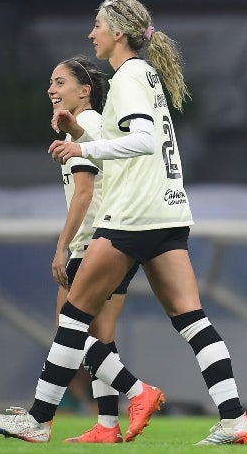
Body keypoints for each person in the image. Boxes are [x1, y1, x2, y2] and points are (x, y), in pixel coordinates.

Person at [0, 0, 247, 445]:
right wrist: (80, 132)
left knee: (72, 319)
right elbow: (126, 139)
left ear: (119, 33)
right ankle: (235, 418)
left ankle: (38, 419)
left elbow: (143, 140)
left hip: (133, 216)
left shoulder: (128, 76)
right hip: (168, 211)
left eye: (97, 25)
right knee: (192, 320)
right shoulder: (141, 76)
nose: (92, 34)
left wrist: (82, 149)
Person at [46, 55, 140, 443]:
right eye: (50, 84)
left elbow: (84, 193)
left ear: (84, 91)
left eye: (59, 82)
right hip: (113, 238)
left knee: (66, 329)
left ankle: (138, 392)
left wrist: (61, 246)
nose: (52, 89)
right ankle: (107, 425)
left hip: (93, 242)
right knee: (99, 336)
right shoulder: (93, 124)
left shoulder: (84, 124)